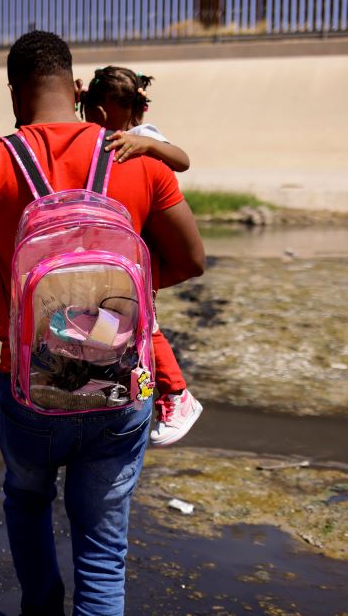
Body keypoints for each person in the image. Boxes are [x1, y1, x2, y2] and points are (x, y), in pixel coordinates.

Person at [0, 31, 205, 616]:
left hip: (27, 382)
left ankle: (40, 606)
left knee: (28, 501)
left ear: (15, 94)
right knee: (103, 547)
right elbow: (191, 261)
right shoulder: (134, 155)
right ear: (79, 86)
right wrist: (108, 301)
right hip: (123, 383)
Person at [79, 65, 203, 446]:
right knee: (118, 325)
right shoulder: (116, 135)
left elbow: (181, 159)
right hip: (127, 252)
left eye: (88, 111)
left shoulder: (142, 137)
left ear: (99, 114)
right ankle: (121, 381)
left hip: (140, 253)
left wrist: (149, 145)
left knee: (145, 327)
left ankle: (178, 395)